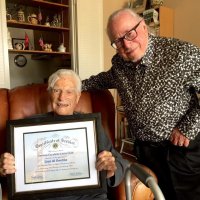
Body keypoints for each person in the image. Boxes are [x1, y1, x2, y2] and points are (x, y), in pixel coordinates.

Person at [81, 8, 200, 200]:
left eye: (130, 33)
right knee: (156, 195)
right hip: (145, 150)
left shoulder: (179, 53)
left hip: (180, 150)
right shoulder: (120, 64)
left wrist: (188, 127)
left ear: (144, 27)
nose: (126, 44)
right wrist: (73, 85)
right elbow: (104, 79)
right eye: (118, 41)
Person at [0, 69, 129, 200]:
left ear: (77, 97)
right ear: (50, 93)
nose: (62, 97)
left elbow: (120, 162)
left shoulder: (91, 126)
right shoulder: (28, 127)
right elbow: (10, 167)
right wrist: (5, 168)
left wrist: (111, 169)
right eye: (56, 90)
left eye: (69, 91)